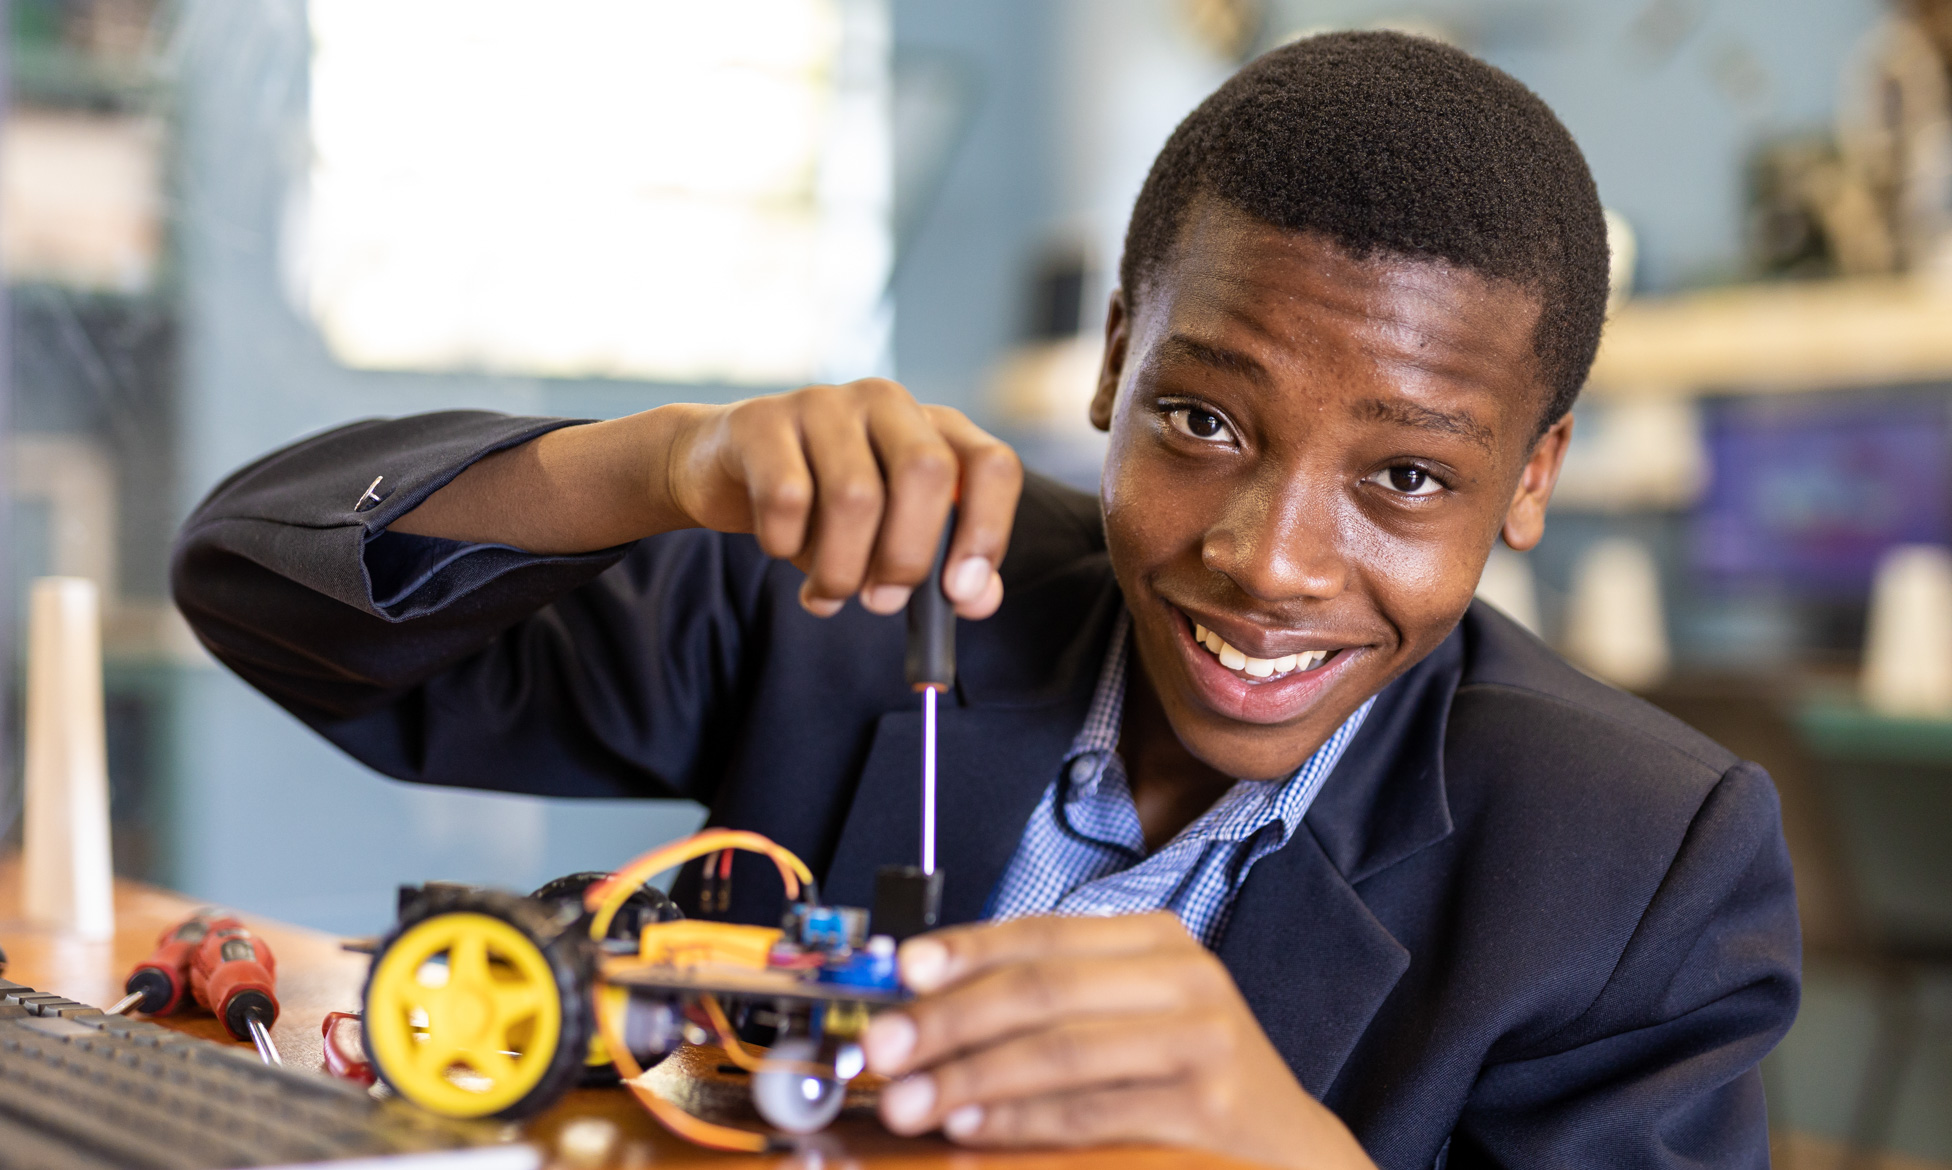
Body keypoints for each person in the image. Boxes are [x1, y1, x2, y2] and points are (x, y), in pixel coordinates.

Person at [174, 31, 1799, 1170]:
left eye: (1407, 480)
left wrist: (1272, 1146)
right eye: (1205, 421)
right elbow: (262, 589)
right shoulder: (866, 594)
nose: (1269, 554)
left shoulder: (1637, 865)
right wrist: (663, 461)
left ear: (1531, 478)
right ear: (1112, 363)